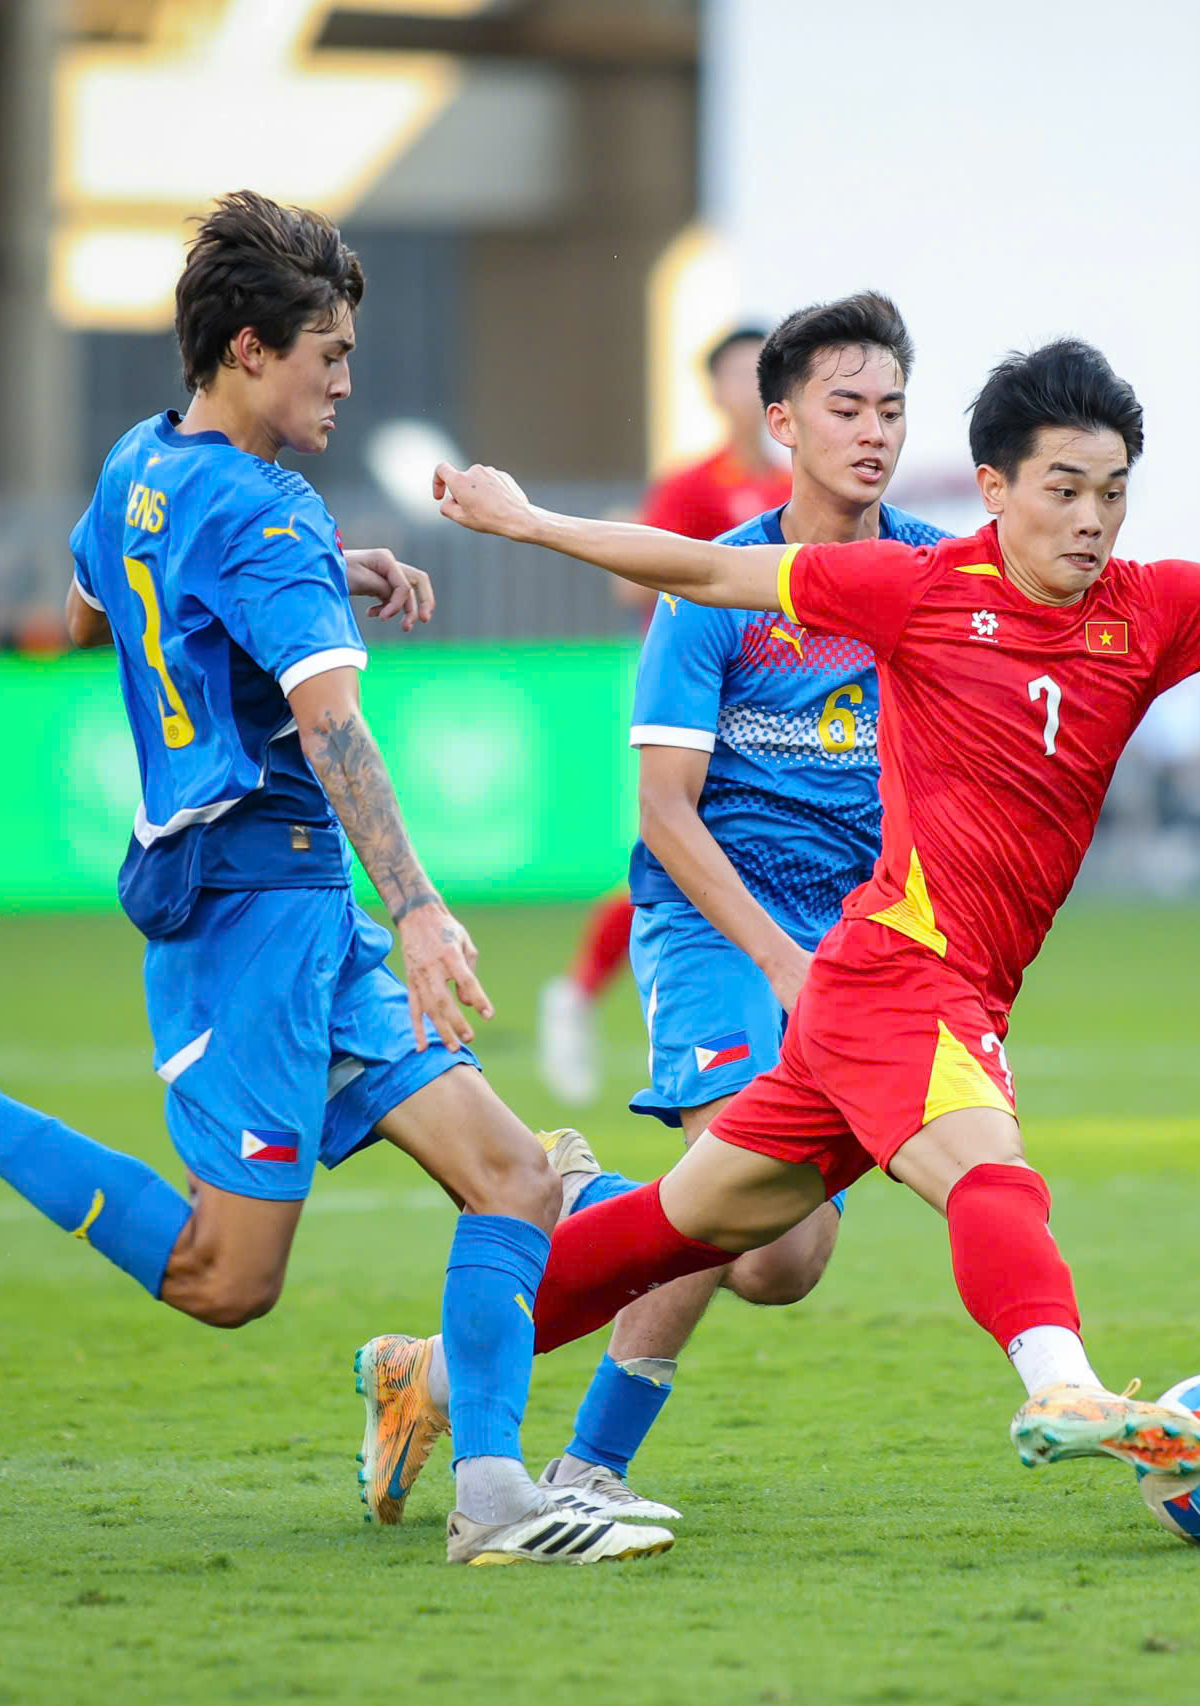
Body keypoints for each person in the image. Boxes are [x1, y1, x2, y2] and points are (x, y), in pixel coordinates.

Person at [431, 338, 1200, 1493]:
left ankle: (427, 1374)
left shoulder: (1157, 609)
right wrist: (531, 522)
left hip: (922, 986)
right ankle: (1060, 1380)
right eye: (1064, 489)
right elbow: (706, 571)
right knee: (990, 1166)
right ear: (993, 489)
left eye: (1113, 491)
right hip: (902, 969)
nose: (1092, 519)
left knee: (679, 1233)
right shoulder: (920, 588)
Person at [0, 191, 668, 1569]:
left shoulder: (141, 463)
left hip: (294, 905)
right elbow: (333, 728)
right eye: (329, 353)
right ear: (249, 349)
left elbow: (96, 600)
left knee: (512, 1177)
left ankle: (494, 1498)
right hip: (252, 919)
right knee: (224, 1278)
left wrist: (315, 576)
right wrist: (422, 905)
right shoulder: (265, 516)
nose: (348, 381)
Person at [357, 291, 950, 1525]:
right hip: (720, 920)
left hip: (851, 944)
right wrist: (784, 958)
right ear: (781, 421)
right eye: (846, 407)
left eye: (892, 407)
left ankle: (562, 1230)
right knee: (740, 1205)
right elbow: (667, 815)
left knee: (782, 1262)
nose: (874, 431)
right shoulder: (718, 589)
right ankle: (586, 1469)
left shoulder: (937, 576)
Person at [540, 325, 794, 1105]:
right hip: (698, 700)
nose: (749, 390)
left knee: (737, 855)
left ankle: (585, 991)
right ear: (715, 392)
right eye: (735, 375)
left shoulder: (799, 492)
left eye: (763, 375)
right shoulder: (692, 487)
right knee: (684, 848)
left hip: (783, 707)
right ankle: (580, 990)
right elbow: (630, 585)